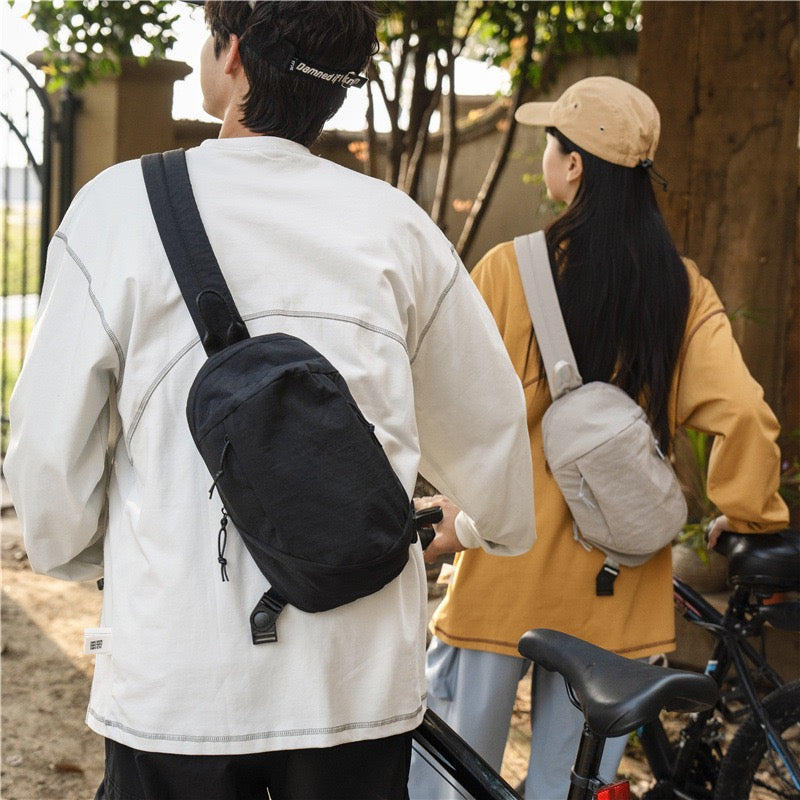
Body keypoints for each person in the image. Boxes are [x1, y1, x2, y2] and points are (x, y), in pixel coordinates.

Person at [2, 3, 537, 798]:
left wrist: (91, 555)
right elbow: (492, 439)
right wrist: (475, 525)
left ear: (234, 55)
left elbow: (47, 462)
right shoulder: (397, 228)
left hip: (178, 678)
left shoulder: (117, 211)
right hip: (353, 681)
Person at [408, 75, 790, 800]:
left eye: (553, 143)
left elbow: (441, 410)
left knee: (446, 785)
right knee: (572, 788)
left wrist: (450, 510)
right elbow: (742, 413)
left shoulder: (509, 271)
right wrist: (748, 516)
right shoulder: (681, 289)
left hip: (503, 582)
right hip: (616, 594)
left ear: (575, 163)